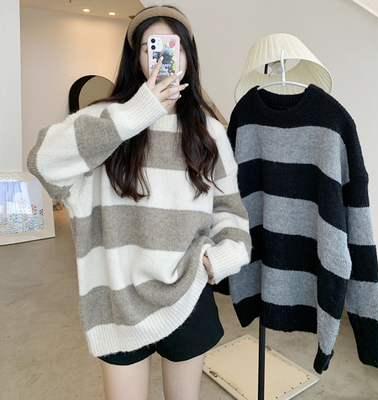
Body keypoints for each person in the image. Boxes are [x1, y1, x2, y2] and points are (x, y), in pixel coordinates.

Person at [27, 5, 251, 400]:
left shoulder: (209, 131)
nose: (163, 58)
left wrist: (220, 259)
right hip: (117, 302)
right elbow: (42, 161)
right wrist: (136, 114)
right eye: (152, 47)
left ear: (188, 56)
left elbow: (230, 212)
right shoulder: (106, 120)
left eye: (173, 47)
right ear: (136, 57)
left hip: (188, 293)